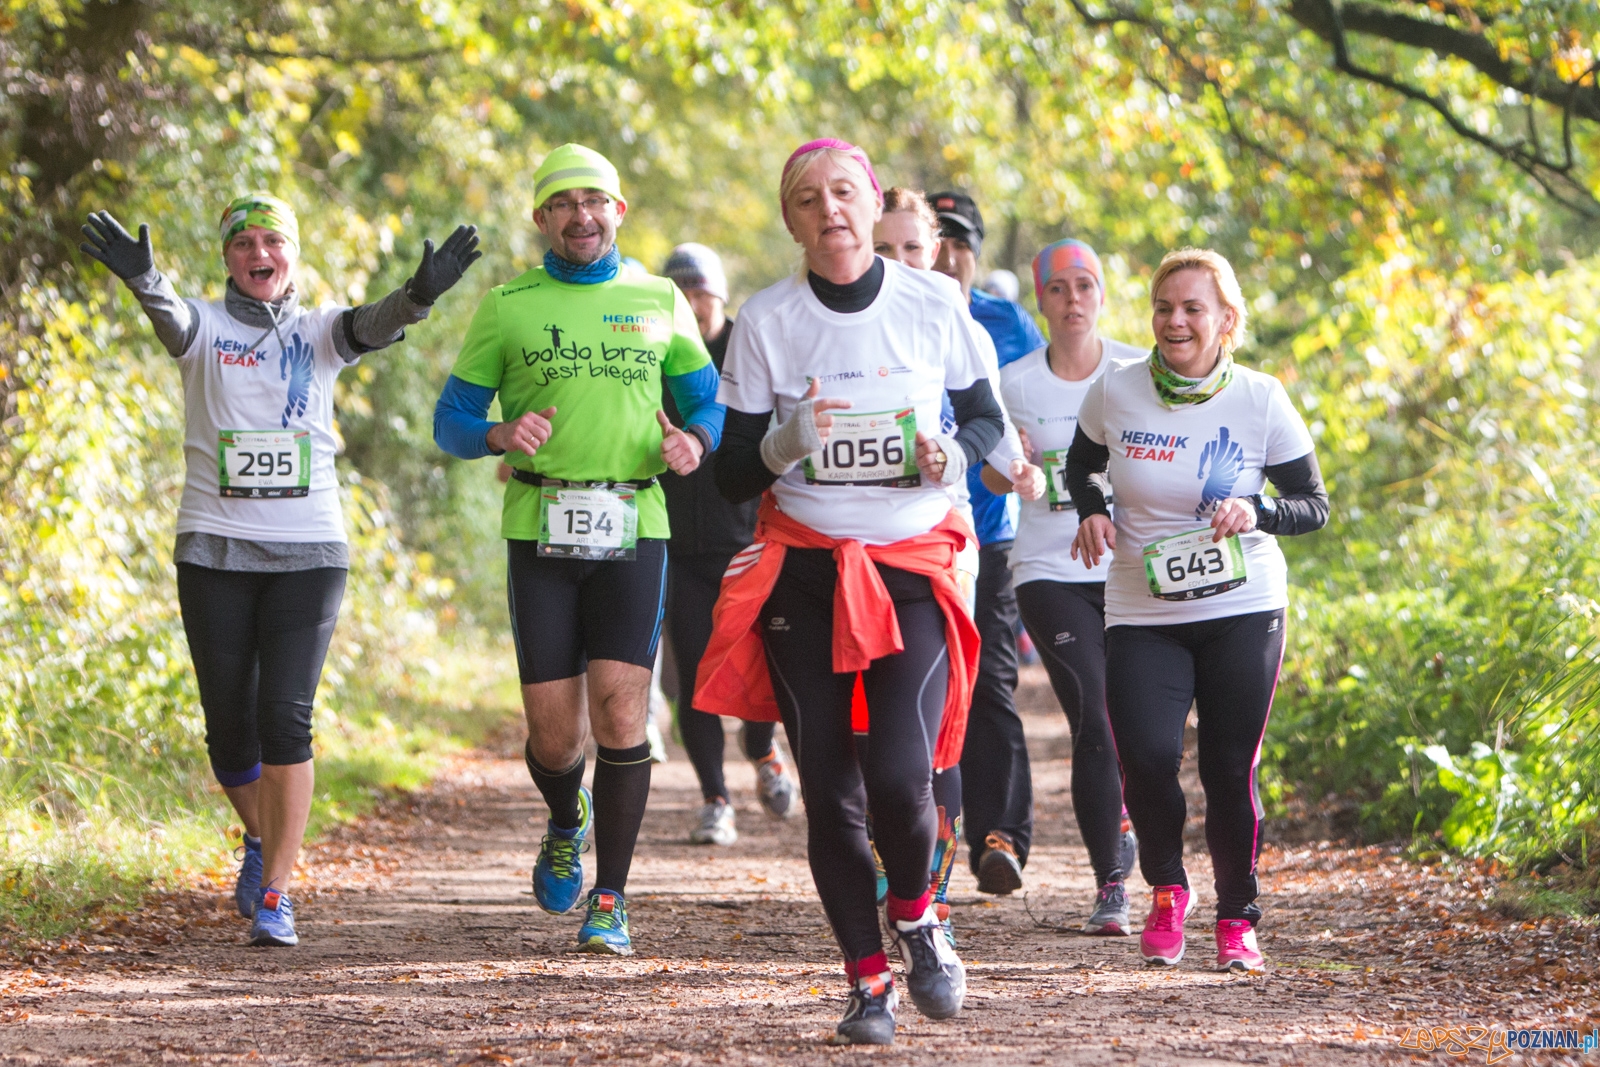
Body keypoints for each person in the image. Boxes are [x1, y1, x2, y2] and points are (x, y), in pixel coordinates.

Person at [80, 197, 481, 947]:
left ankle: (276, 893)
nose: (259, 252)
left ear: (293, 253)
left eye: (273, 240)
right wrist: (144, 279)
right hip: (214, 550)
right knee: (229, 731)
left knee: (286, 716)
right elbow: (171, 319)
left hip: (309, 551)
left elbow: (372, 322)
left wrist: (420, 294)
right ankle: (261, 836)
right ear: (228, 256)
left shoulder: (316, 329)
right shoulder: (205, 325)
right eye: (244, 242)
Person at [696, 139, 1004, 1045]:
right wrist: (787, 443)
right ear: (791, 220)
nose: (827, 209)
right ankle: (866, 982)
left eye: (842, 192)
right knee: (831, 790)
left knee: (904, 782)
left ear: (872, 204)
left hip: (908, 560)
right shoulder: (766, 319)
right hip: (806, 565)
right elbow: (729, 473)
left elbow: (984, 415)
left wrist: (957, 452)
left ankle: (917, 917)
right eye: (806, 199)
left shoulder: (931, 302)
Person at [432, 144, 724, 956]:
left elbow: (709, 404)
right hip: (540, 525)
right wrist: (497, 429)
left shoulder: (659, 298)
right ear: (542, 220)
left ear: (619, 212)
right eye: (564, 203)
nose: (582, 216)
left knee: (623, 712)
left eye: (595, 201)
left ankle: (612, 896)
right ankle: (568, 817)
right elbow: (449, 419)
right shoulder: (507, 305)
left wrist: (694, 442)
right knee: (556, 737)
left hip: (636, 522)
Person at [1066, 247, 1328, 972]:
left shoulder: (1260, 396)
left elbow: (1314, 506)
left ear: (1226, 320)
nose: (1174, 321)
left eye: (1191, 308)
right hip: (1143, 607)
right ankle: (1167, 888)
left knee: (1227, 766)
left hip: (1244, 605)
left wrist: (1257, 510)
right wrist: (1092, 510)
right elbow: (1079, 465)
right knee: (1147, 756)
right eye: (1163, 307)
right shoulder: (1116, 391)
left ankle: (1238, 916)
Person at [872, 189, 1042, 942]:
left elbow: (996, 432)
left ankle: (933, 875)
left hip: (954, 541)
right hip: (848, 548)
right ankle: (885, 853)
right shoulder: (831, 320)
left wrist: (1019, 471)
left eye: (912, 248)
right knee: (870, 721)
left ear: (936, 250)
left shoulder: (959, 319)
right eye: (884, 250)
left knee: (948, 707)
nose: (900, 264)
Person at [984, 239, 1142, 935]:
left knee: (1140, 726)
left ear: (1101, 295)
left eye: (1085, 286)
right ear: (1041, 301)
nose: (1073, 300)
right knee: (1096, 716)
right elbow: (991, 472)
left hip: (1136, 571)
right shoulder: (1014, 380)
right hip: (1049, 569)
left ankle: (1127, 819)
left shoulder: (1141, 371)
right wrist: (1013, 474)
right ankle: (1112, 880)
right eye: (1058, 289)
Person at [658, 242, 798, 846]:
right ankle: (715, 797)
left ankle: (763, 747)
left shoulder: (750, 345)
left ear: (718, 295)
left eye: (701, 293)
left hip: (747, 536)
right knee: (694, 676)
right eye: (681, 293)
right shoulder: (652, 355)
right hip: (676, 540)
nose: (692, 304)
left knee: (764, 664)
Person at [928, 190, 1047, 895]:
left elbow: (1038, 405)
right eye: (929, 240)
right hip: (912, 531)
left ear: (975, 250)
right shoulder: (893, 312)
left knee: (992, 682)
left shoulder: (1005, 322)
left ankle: (999, 834)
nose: (945, 255)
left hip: (991, 531)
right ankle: (923, 839)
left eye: (958, 240)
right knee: (924, 687)